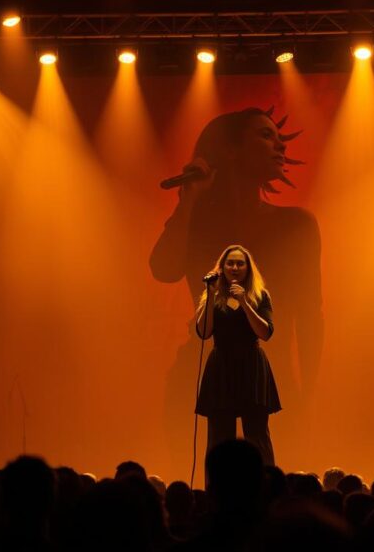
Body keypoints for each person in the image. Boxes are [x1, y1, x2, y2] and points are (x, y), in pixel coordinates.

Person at [151, 107, 323, 472]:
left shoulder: (295, 225)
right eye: (265, 136)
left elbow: (310, 316)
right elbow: (163, 269)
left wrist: (309, 391)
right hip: (202, 368)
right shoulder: (196, 222)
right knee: (204, 468)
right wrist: (189, 201)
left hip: (270, 370)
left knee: (272, 471)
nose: (279, 147)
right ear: (229, 150)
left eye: (279, 139)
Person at [195, 244, 279, 466]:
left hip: (251, 367)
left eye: (240, 263)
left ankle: (266, 489)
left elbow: (265, 332)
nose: (234, 267)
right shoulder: (212, 295)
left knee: (258, 436)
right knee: (218, 440)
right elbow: (203, 332)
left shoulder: (260, 296)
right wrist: (211, 297)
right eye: (230, 263)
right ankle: (217, 492)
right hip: (221, 368)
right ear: (222, 267)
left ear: (248, 268)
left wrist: (244, 301)